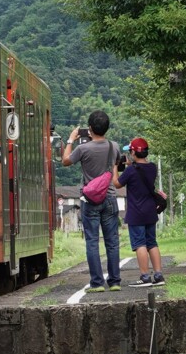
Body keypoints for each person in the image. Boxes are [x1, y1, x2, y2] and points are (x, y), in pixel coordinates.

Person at [62, 110, 122, 292]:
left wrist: (71, 139)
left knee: (92, 241)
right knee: (112, 241)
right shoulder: (114, 146)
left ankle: (97, 283)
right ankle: (115, 282)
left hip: (90, 200)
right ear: (107, 128)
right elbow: (116, 166)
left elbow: (65, 161)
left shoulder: (83, 149)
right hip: (110, 197)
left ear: (89, 129)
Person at [116, 137, 165, 287]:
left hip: (136, 213)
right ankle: (158, 275)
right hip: (150, 211)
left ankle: (144, 277)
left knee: (140, 244)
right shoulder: (152, 168)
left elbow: (117, 184)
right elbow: (141, 170)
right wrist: (132, 164)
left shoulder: (130, 170)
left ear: (133, 152)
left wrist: (114, 167)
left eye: (130, 151)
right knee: (152, 243)